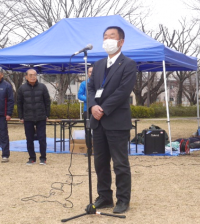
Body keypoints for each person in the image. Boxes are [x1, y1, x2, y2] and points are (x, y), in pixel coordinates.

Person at [88, 26, 137, 213]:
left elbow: (123, 91)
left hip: (116, 120)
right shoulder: (98, 64)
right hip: (97, 121)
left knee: (120, 163)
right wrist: (93, 106)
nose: (108, 39)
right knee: (100, 162)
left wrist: (104, 109)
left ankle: (123, 199)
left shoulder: (128, 64)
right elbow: (91, 88)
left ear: (121, 41)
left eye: (112, 36)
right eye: (105, 36)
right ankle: (104, 196)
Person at [17, 69, 51, 165]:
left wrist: (47, 115)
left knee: (42, 138)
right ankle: (32, 158)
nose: (33, 77)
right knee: (29, 138)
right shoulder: (22, 88)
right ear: (26, 77)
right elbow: (19, 103)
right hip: (28, 117)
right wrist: (21, 116)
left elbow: (47, 102)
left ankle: (43, 157)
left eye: (34, 75)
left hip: (41, 117)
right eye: (31, 75)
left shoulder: (42, 87)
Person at [78, 66, 93, 132]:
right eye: (90, 72)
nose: (91, 73)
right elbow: (79, 95)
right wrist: (89, 99)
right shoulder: (84, 84)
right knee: (88, 130)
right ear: (87, 73)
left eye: (93, 72)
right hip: (87, 110)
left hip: (98, 110)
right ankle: (88, 142)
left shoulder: (100, 83)